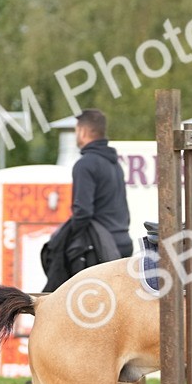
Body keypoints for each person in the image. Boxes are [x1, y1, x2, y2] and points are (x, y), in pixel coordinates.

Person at [42, 109, 132, 291]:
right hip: (122, 246)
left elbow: (83, 211)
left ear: (82, 132)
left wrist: (69, 239)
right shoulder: (114, 164)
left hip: (100, 251)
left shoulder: (85, 164)